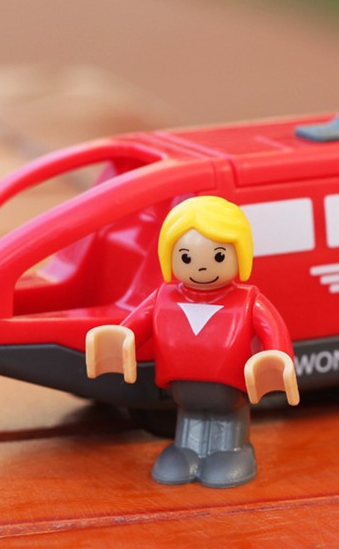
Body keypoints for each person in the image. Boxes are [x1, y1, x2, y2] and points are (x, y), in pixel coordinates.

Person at [86, 195, 299, 488]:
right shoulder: (163, 297)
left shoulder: (248, 301)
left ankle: (231, 451)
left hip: (229, 388)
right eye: (186, 257)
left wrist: (275, 357)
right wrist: (119, 339)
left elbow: (273, 331)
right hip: (183, 388)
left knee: (226, 416)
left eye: (218, 257)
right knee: (191, 415)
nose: (201, 268)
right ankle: (186, 451)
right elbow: (134, 327)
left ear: (241, 254)